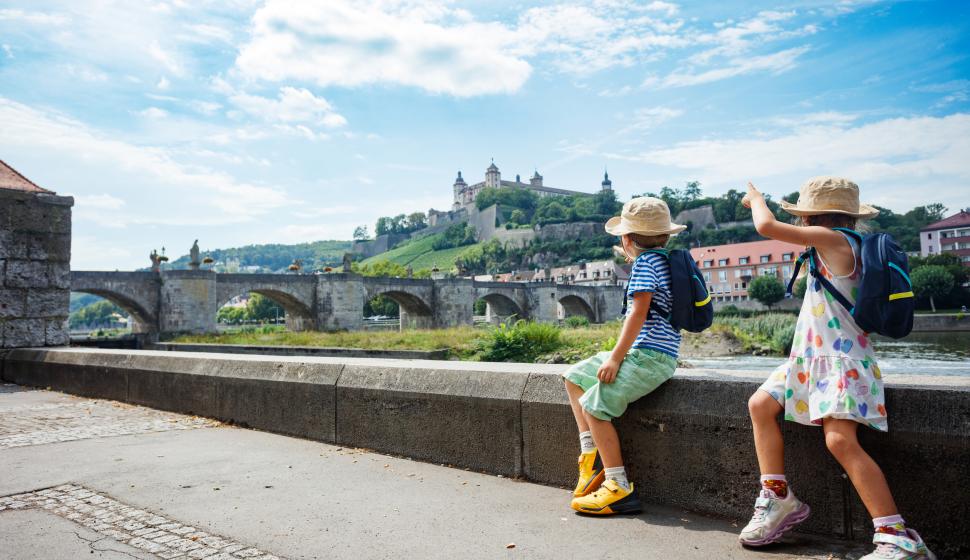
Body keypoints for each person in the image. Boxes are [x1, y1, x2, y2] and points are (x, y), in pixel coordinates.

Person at [739, 178, 935, 560]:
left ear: (811, 216)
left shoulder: (835, 241)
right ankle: (778, 499)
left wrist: (757, 200)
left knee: (840, 441)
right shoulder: (833, 244)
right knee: (760, 404)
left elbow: (766, 227)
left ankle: (898, 536)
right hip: (812, 359)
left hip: (841, 361)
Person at [563, 196, 685, 515]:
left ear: (627, 238)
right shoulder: (664, 260)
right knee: (574, 377)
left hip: (649, 356)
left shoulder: (646, 264)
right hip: (649, 353)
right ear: (665, 235)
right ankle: (590, 459)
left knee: (593, 404)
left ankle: (617, 486)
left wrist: (615, 357)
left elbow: (638, 313)